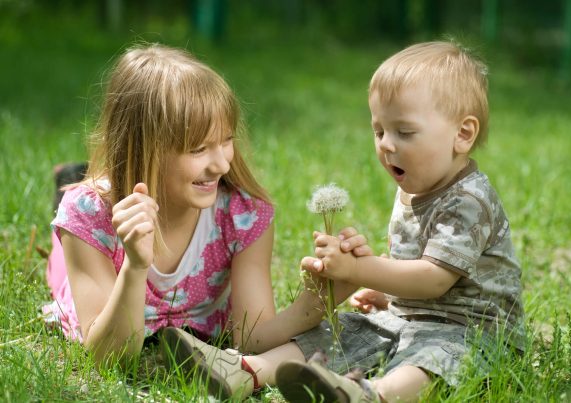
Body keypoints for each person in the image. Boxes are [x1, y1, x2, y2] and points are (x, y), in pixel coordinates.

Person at [164, 41, 526, 402]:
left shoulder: (468, 200)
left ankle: (371, 394)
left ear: (462, 134)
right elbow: (414, 269)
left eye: (404, 132)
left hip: (474, 331)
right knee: (343, 331)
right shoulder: (415, 188)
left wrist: (360, 270)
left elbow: (434, 278)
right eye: (379, 130)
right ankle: (248, 371)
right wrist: (385, 291)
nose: (386, 144)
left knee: (436, 357)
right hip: (410, 320)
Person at [41, 43, 371, 371]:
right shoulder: (89, 215)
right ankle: (73, 181)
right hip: (97, 241)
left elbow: (252, 338)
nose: (221, 165)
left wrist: (316, 302)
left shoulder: (241, 216)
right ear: (144, 149)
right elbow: (109, 358)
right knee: (61, 264)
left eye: (226, 141)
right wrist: (135, 266)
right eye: (198, 149)